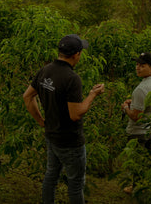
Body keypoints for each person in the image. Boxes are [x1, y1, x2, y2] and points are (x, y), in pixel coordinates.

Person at [23, 34, 105, 204]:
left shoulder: (45, 70)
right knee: (75, 184)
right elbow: (75, 114)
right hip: (70, 140)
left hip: (51, 136)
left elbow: (27, 96)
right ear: (76, 54)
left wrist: (40, 121)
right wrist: (92, 95)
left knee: (51, 176)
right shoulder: (72, 78)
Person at [121, 52, 151, 194]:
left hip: (138, 132)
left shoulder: (141, 89)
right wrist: (133, 103)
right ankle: (150, 187)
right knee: (150, 160)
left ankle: (137, 189)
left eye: (142, 65)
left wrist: (126, 107)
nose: (138, 68)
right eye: (137, 65)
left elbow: (136, 116)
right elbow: (149, 105)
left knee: (137, 162)